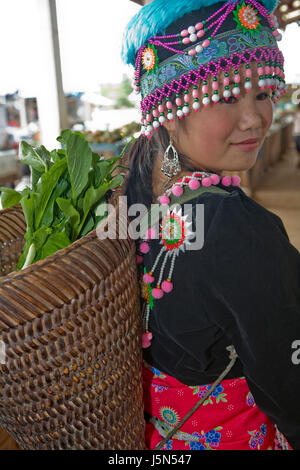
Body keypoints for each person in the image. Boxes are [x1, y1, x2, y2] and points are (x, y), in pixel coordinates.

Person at [120, 0, 300, 450]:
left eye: (263, 93)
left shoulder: (130, 184)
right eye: (225, 96)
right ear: (171, 102)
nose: (255, 119)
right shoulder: (238, 228)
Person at [293, 102, 300, 168]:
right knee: (298, 148)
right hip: (296, 133)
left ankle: (299, 161)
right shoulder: (296, 114)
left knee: (298, 148)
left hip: (297, 133)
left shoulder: (296, 114)